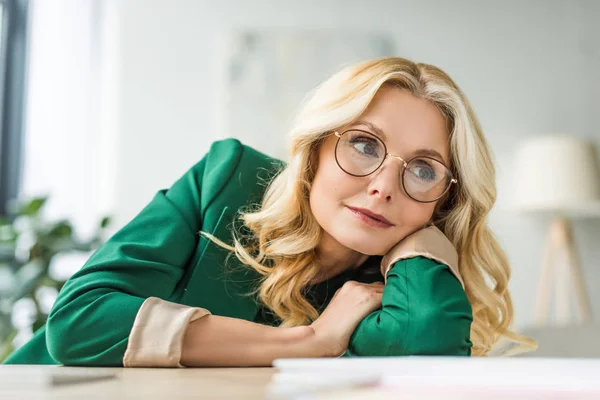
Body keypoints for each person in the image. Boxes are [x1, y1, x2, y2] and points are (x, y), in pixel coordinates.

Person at [4, 57, 536, 367]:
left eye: (423, 170)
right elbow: (77, 322)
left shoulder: (389, 290)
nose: (383, 188)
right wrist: (308, 341)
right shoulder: (226, 177)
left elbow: (426, 348)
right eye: (365, 146)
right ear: (315, 149)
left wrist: (427, 236)